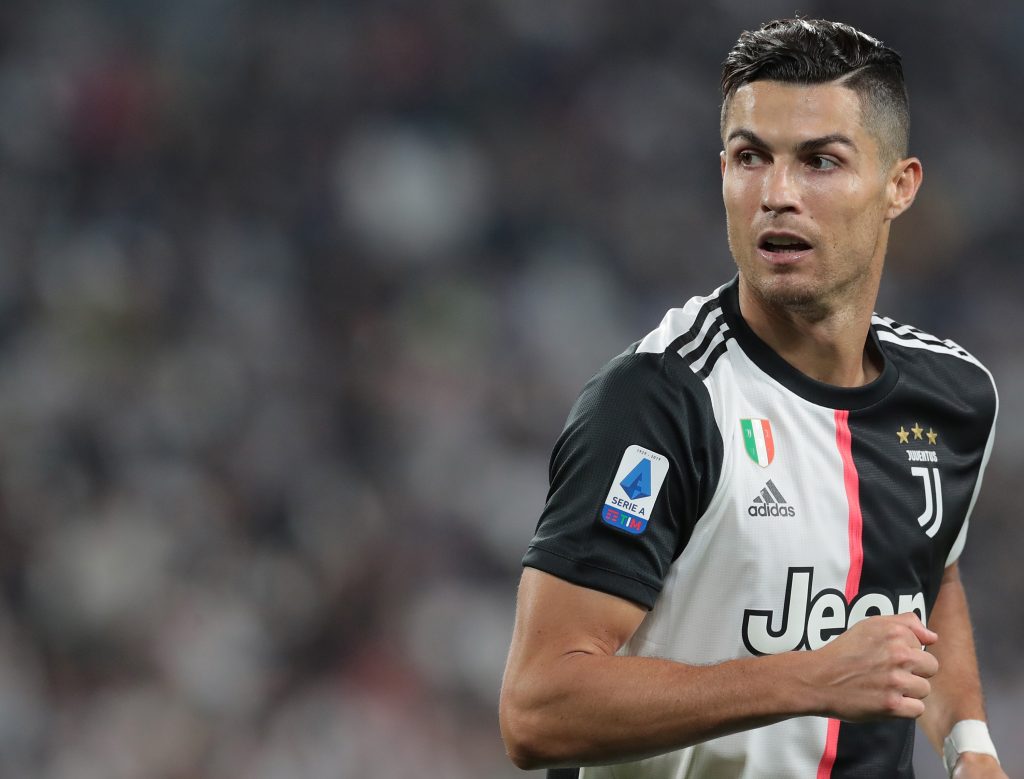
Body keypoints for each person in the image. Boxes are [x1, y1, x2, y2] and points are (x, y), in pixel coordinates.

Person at [498, 18, 1007, 779]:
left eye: (820, 161)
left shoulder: (953, 397)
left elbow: (931, 572)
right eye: (750, 158)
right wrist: (808, 678)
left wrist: (970, 748)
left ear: (899, 187)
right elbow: (538, 709)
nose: (776, 194)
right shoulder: (660, 404)